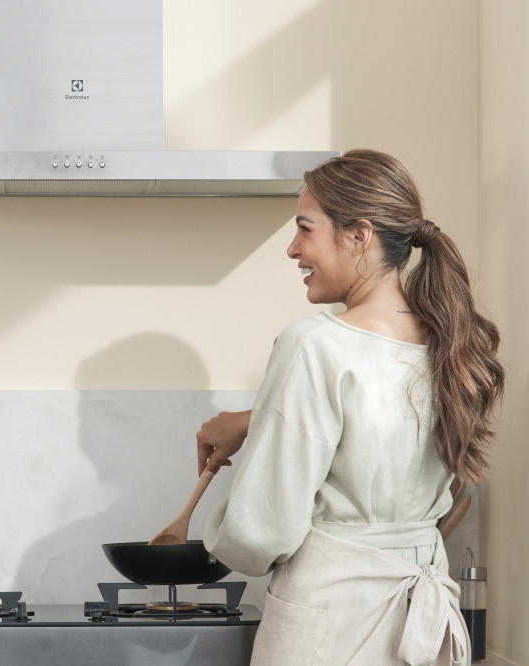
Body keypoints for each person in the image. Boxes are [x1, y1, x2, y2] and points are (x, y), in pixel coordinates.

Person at [197, 149, 504, 665]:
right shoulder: (449, 344)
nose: (293, 249)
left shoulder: (313, 344)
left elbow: (260, 532)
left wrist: (219, 537)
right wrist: (258, 419)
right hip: (421, 620)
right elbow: (381, 428)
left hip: (331, 623)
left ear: (359, 235)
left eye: (305, 228)